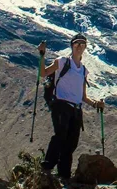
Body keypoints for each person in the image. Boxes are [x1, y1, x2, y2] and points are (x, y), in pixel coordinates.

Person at [37, 33, 105, 180]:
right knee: (60, 135)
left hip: (76, 109)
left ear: (86, 47)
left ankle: (64, 175)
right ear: (72, 46)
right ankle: (47, 167)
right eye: (77, 44)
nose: (79, 46)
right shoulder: (62, 62)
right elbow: (43, 73)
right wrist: (42, 55)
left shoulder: (83, 70)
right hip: (61, 105)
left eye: (82, 44)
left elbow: (83, 96)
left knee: (71, 143)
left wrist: (95, 104)